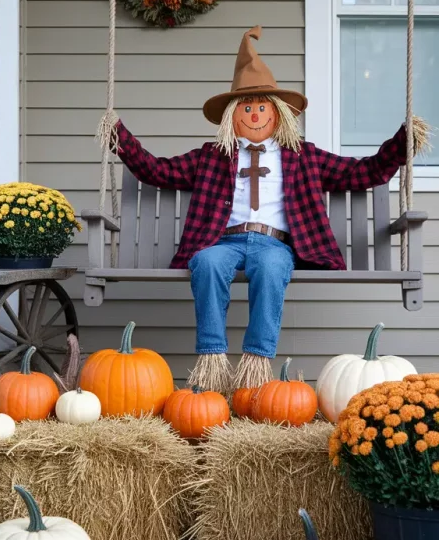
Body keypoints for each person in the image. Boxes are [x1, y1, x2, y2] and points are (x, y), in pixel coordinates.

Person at [112, 27, 428, 394]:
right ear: (233, 115)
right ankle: (212, 358)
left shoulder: (302, 155)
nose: (255, 114)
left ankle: (255, 364)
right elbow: (158, 171)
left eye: (262, 107)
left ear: (277, 114)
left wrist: (401, 143)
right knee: (207, 263)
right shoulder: (213, 157)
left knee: (273, 266)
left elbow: (362, 173)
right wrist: (121, 138)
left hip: (274, 243)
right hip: (224, 241)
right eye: (247, 108)